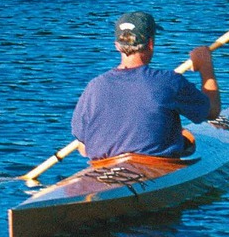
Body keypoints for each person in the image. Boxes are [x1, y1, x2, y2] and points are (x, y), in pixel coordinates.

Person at [71, 11, 221, 160]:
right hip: (155, 168)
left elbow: (83, 148)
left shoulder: (94, 86)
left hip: (103, 167)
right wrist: (206, 67)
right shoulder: (169, 81)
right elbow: (212, 111)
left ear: (117, 45)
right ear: (150, 43)